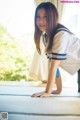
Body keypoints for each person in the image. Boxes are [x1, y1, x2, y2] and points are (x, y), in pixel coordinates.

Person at [32, 2, 80, 97]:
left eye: (45, 17)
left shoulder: (61, 35)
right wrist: (58, 89)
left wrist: (47, 92)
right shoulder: (47, 37)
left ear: (53, 17)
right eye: (38, 17)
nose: (41, 21)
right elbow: (55, 66)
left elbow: (54, 66)